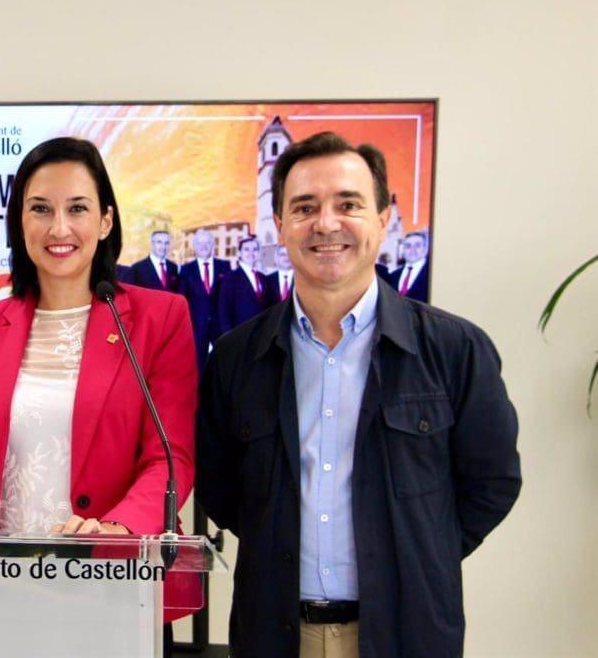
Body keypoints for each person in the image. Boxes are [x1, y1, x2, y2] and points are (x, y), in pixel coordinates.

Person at [196, 132, 520, 657]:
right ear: (280, 224)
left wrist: (419, 551)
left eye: (348, 204)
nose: (326, 224)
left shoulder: (454, 349)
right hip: (274, 634)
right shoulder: (236, 358)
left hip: (405, 634)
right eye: (305, 208)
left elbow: (493, 481)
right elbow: (220, 488)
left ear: (383, 218)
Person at [0, 136, 198, 625]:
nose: (59, 228)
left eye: (77, 208)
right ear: (20, 222)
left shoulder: (160, 318)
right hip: (0, 588)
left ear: (106, 221)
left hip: (116, 586)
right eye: (40, 209)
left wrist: (118, 529)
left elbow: (170, 458)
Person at [178, 229, 230, 370]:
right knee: (197, 368)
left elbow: (229, 298)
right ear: (194, 246)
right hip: (197, 328)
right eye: (199, 243)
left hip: (221, 327)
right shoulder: (186, 270)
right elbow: (183, 300)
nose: (204, 246)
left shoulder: (225, 266)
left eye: (207, 243)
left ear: (213, 244)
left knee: (223, 365)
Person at [216, 235, 269, 333]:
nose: (251, 253)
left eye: (254, 249)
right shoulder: (230, 278)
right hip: (240, 334)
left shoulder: (264, 279)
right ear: (239, 253)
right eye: (246, 249)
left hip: (262, 334)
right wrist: (230, 337)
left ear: (258, 253)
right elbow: (224, 311)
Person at [388, 230, 430, 301]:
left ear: (425, 249)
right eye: (408, 246)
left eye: (417, 245)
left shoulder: (431, 274)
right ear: (403, 249)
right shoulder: (394, 275)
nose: (412, 249)